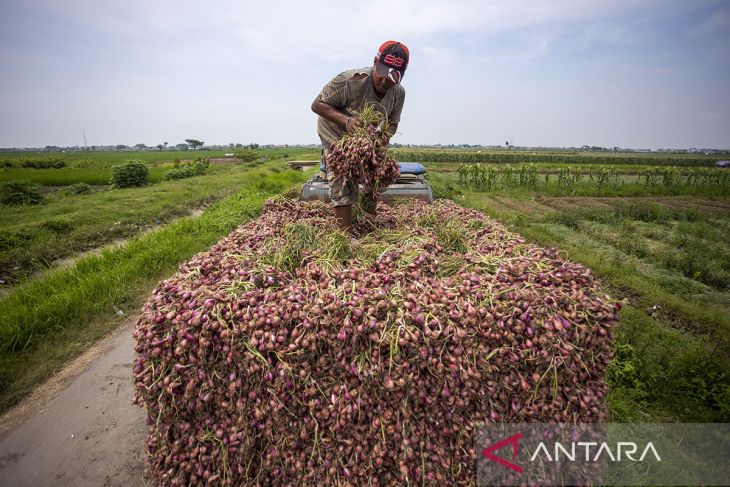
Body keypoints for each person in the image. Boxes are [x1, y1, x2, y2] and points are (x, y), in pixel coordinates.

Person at [311, 40, 409, 232]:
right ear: (375, 62)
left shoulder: (398, 93)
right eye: (382, 74)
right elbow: (317, 105)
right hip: (334, 130)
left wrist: (383, 137)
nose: (384, 82)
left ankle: (368, 218)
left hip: (367, 135)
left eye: (392, 78)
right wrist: (346, 121)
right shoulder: (349, 80)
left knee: (378, 171)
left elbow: (392, 123)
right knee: (342, 176)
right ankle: (344, 237)